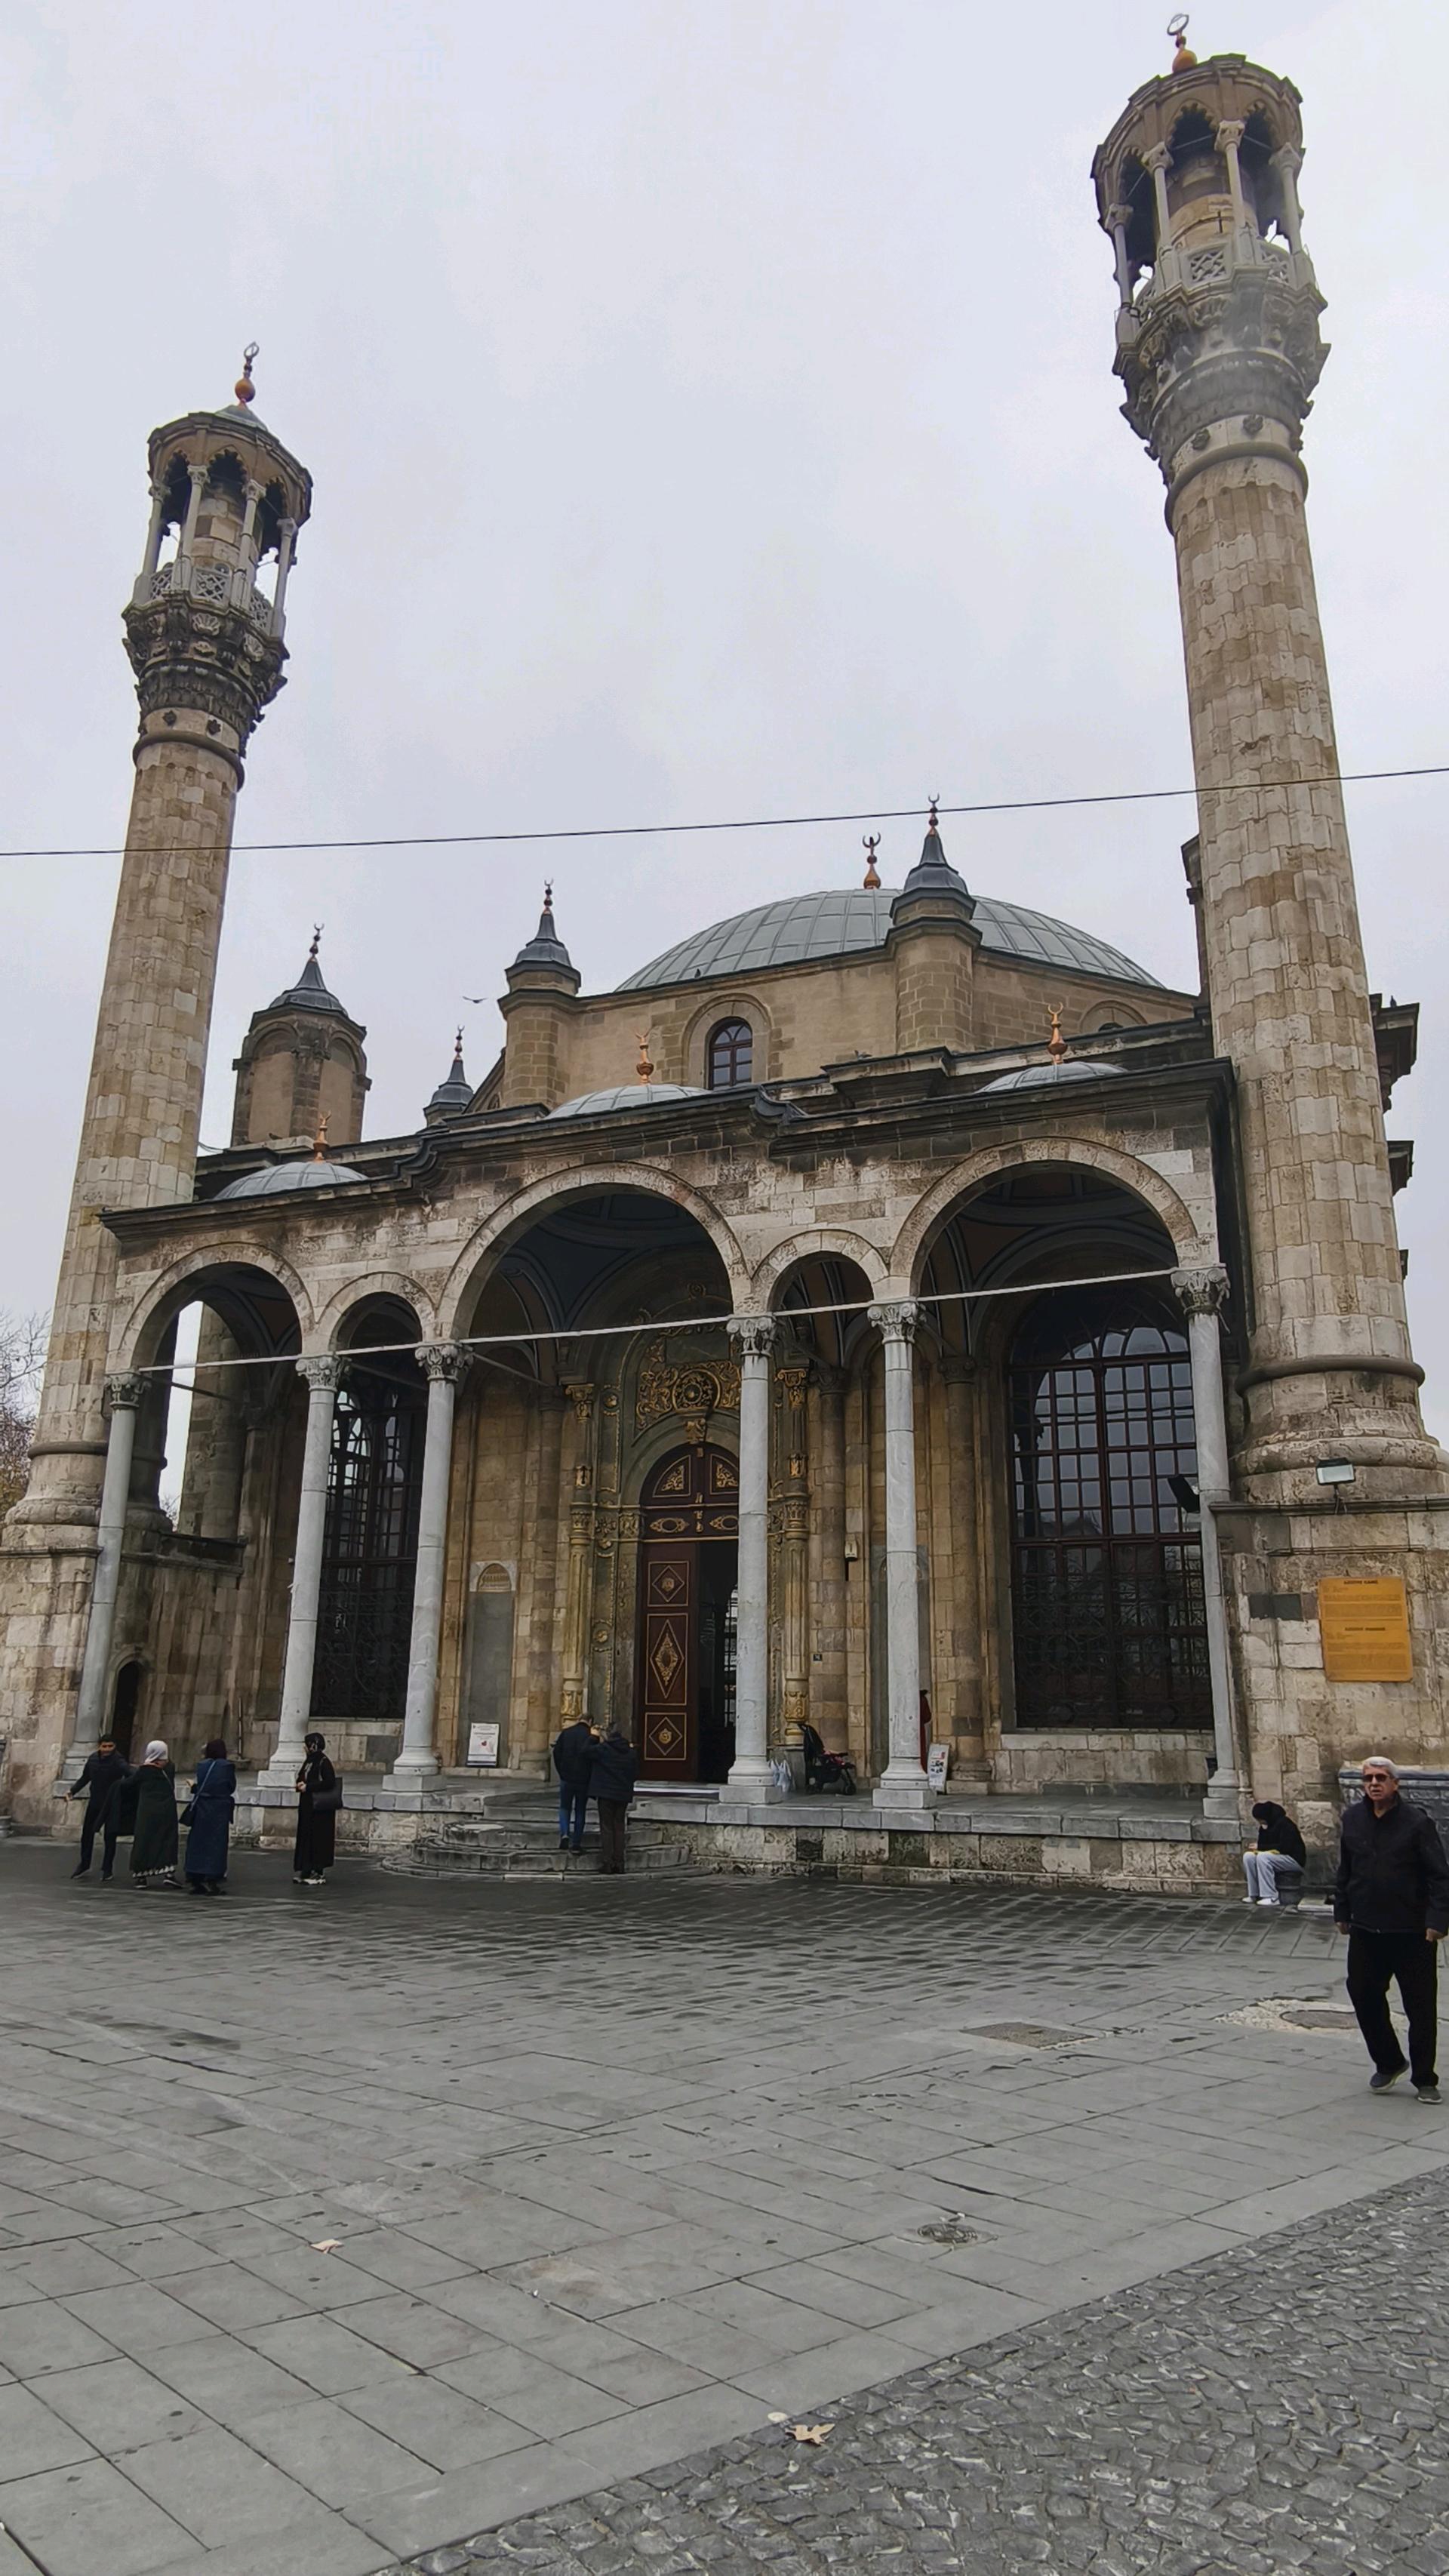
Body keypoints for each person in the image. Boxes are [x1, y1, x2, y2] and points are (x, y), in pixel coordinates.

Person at [1335, 1754, 1449, 2104]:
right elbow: (1346, 1868)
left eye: (1381, 1778)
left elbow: (1439, 1876)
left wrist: (1437, 1921)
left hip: (1411, 1932)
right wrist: (1342, 1910)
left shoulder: (1416, 1823)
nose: (1374, 1784)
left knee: (1420, 2008)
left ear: (1395, 1784)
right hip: (1367, 1929)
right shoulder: (1352, 1820)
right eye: (1368, 1778)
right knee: (1363, 1994)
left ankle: (1425, 2078)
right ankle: (1389, 2061)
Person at [68, 1735, 129, 1880]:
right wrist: (73, 1790)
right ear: (99, 1747)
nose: (107, 1750)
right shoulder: (93, 1759)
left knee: (110, 1836)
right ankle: (84, 1864)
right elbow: (85, 1778)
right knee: (87, 1834)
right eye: (105, 1746)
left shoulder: (118, 1760)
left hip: (111, 1804)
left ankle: (107, 1869)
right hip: (95, 1802)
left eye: (110, 1746)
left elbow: (129, 1773)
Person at [184, 1738, 237, 1895]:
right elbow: (230, 1786)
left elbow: (202, 1786)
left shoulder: (202, 1766)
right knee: (216, 1844)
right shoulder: (227, 1767)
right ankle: (211, 1879)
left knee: (198, 1843)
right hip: (218, 1810)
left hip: (201, 1808)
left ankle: (194, 1877)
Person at [589, 1726, 639, 1874]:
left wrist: (593, 1737)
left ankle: (608, 1862)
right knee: (619, 1827)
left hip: (606, 1794)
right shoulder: (630, 1753)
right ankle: (620, 1862)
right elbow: (636, 1773)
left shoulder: (604, 1750)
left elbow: (585, 1751)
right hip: (622, 1794)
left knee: (607, 1828)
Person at [129, 1741, 179, 1888]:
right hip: (167, 1809)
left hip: (147, 1811)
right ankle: (169, 1873)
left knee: (144, 1840)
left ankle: (141, 1876)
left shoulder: (143, 1771)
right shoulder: (169, 1768)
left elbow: (130, 1784)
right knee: (167, 1839)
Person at [1241, 1800, 1308, 1907]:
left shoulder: (1286, 1825)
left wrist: (1261, 1848)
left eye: (1261, 1820)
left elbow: (1285, 1848)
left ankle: (1271, 1896)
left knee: (1263, 1857)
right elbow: (1263, 1845)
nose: (1260, 1822)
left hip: (1293, 1859)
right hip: (1276, 1857)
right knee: (1248, 1856)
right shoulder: (1265, 1826)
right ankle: (1254, 1894)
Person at [294, 1731, 339, 1886]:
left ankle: (317, 1870)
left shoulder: (323, 1762)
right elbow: (302, 1776)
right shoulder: (309, 1761)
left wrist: (310, 1787)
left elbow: (329, 1782)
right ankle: (305, 1868)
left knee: (318, 1838)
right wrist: (300, 1784)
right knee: (306, 1836)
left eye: (307, 1745)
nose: (305, 1748)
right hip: (307, 1805)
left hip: (320, 1809)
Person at [552, 1715, 596, 1853]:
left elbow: (556, 1753)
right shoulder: (590, 1736)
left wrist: (562, 1771)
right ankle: (576, 1841)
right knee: (580, 1810)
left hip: (567, 1777)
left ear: (579, 1720)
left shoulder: (567, 1733)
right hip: (583, 1779)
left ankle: (565, 1833)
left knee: (565, 1807)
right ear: (590, 1722)